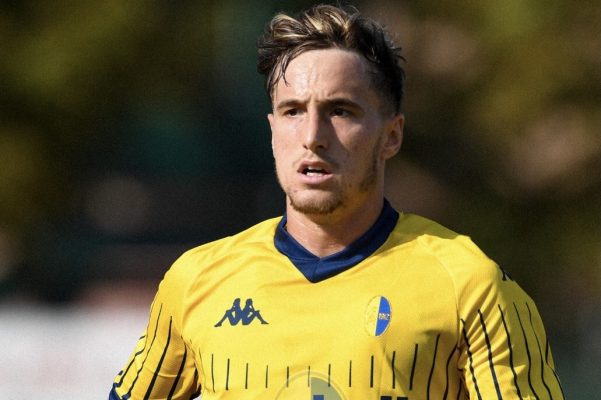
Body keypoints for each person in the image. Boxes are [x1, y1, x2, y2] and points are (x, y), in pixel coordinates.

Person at [109, 4, 564, 399]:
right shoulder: (197, 280)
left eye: (340, 111)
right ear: (272, 132)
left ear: (391, 136)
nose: (312, 136)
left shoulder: (470, 285)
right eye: (293, 111)